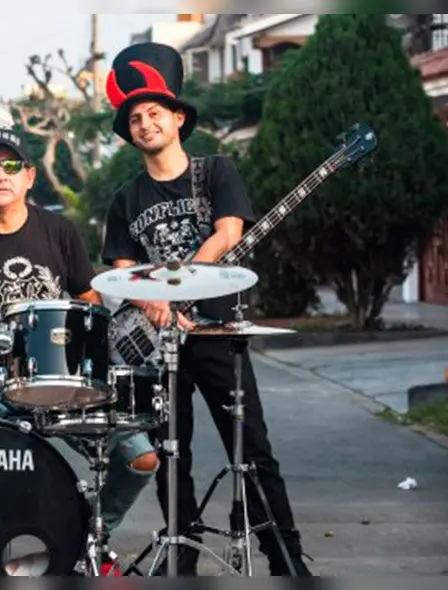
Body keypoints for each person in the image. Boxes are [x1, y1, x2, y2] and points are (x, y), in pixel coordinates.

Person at [100, 41, 313, 576]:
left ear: (177, 118)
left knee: (254, 451)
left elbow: (228, 232)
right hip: (161, 343)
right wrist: (154, 300)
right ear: (128, 134)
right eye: (135, 119)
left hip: (217, 333)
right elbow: (124, 270)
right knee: (174, 457)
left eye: (154, 114)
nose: (145, 124)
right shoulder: (126, 198)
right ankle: (183, 560)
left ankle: (285, 560)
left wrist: (177, 285)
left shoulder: (215, 172)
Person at [0, 128, 160, 576]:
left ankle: (86, 534)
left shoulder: (59, 232)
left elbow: (89, 301)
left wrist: (86, 341)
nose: (0, 174)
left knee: (141, 459)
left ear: (29, 177)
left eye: (11, 166)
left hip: (57, 376)